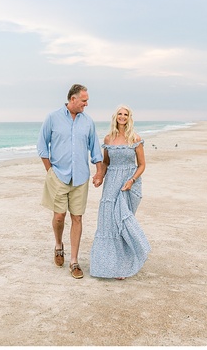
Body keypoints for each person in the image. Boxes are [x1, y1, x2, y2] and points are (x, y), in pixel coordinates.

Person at [37, 84, 104, 279]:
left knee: (77, 218)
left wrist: (99, 172)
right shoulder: (53, 118)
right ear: (73, 99)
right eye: (84, 100)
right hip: (59, 176)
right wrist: (50, 172)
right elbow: (42, 145)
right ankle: (58, 245)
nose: (86, 104)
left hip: (81, 178)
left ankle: (74, 261)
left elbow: (95, 149)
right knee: (59, 217)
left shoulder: (88, 122)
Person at [90, 104, 151, 280]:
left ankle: (126, 262)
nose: (122, 117)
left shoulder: (135, 138)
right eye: (119, 114)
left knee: (122, 221)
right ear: (115, 117)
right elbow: (106, 163)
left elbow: (142, 165)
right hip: (111, 183)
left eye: (125, 114)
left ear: (129, 117)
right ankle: (109, 264)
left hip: (129, 183)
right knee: (108, 222)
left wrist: (131, 181)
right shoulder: (108, 139)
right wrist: (99, 176)